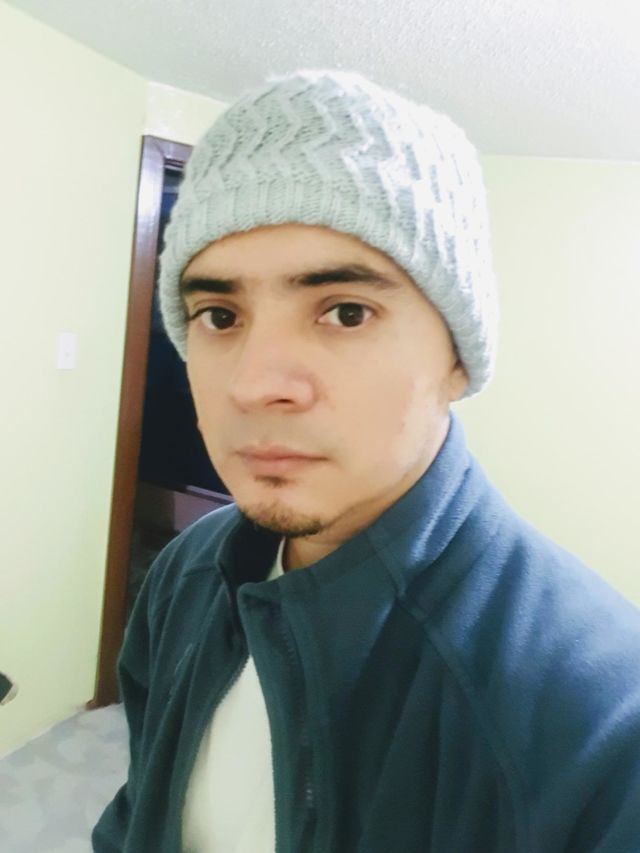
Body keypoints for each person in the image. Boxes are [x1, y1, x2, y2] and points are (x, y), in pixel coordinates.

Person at [92, 69, 640, 853]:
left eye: (345, 312)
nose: (253, 384)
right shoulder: (186, 574)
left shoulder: (602, 723)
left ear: (458, 357)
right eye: (219, 314)